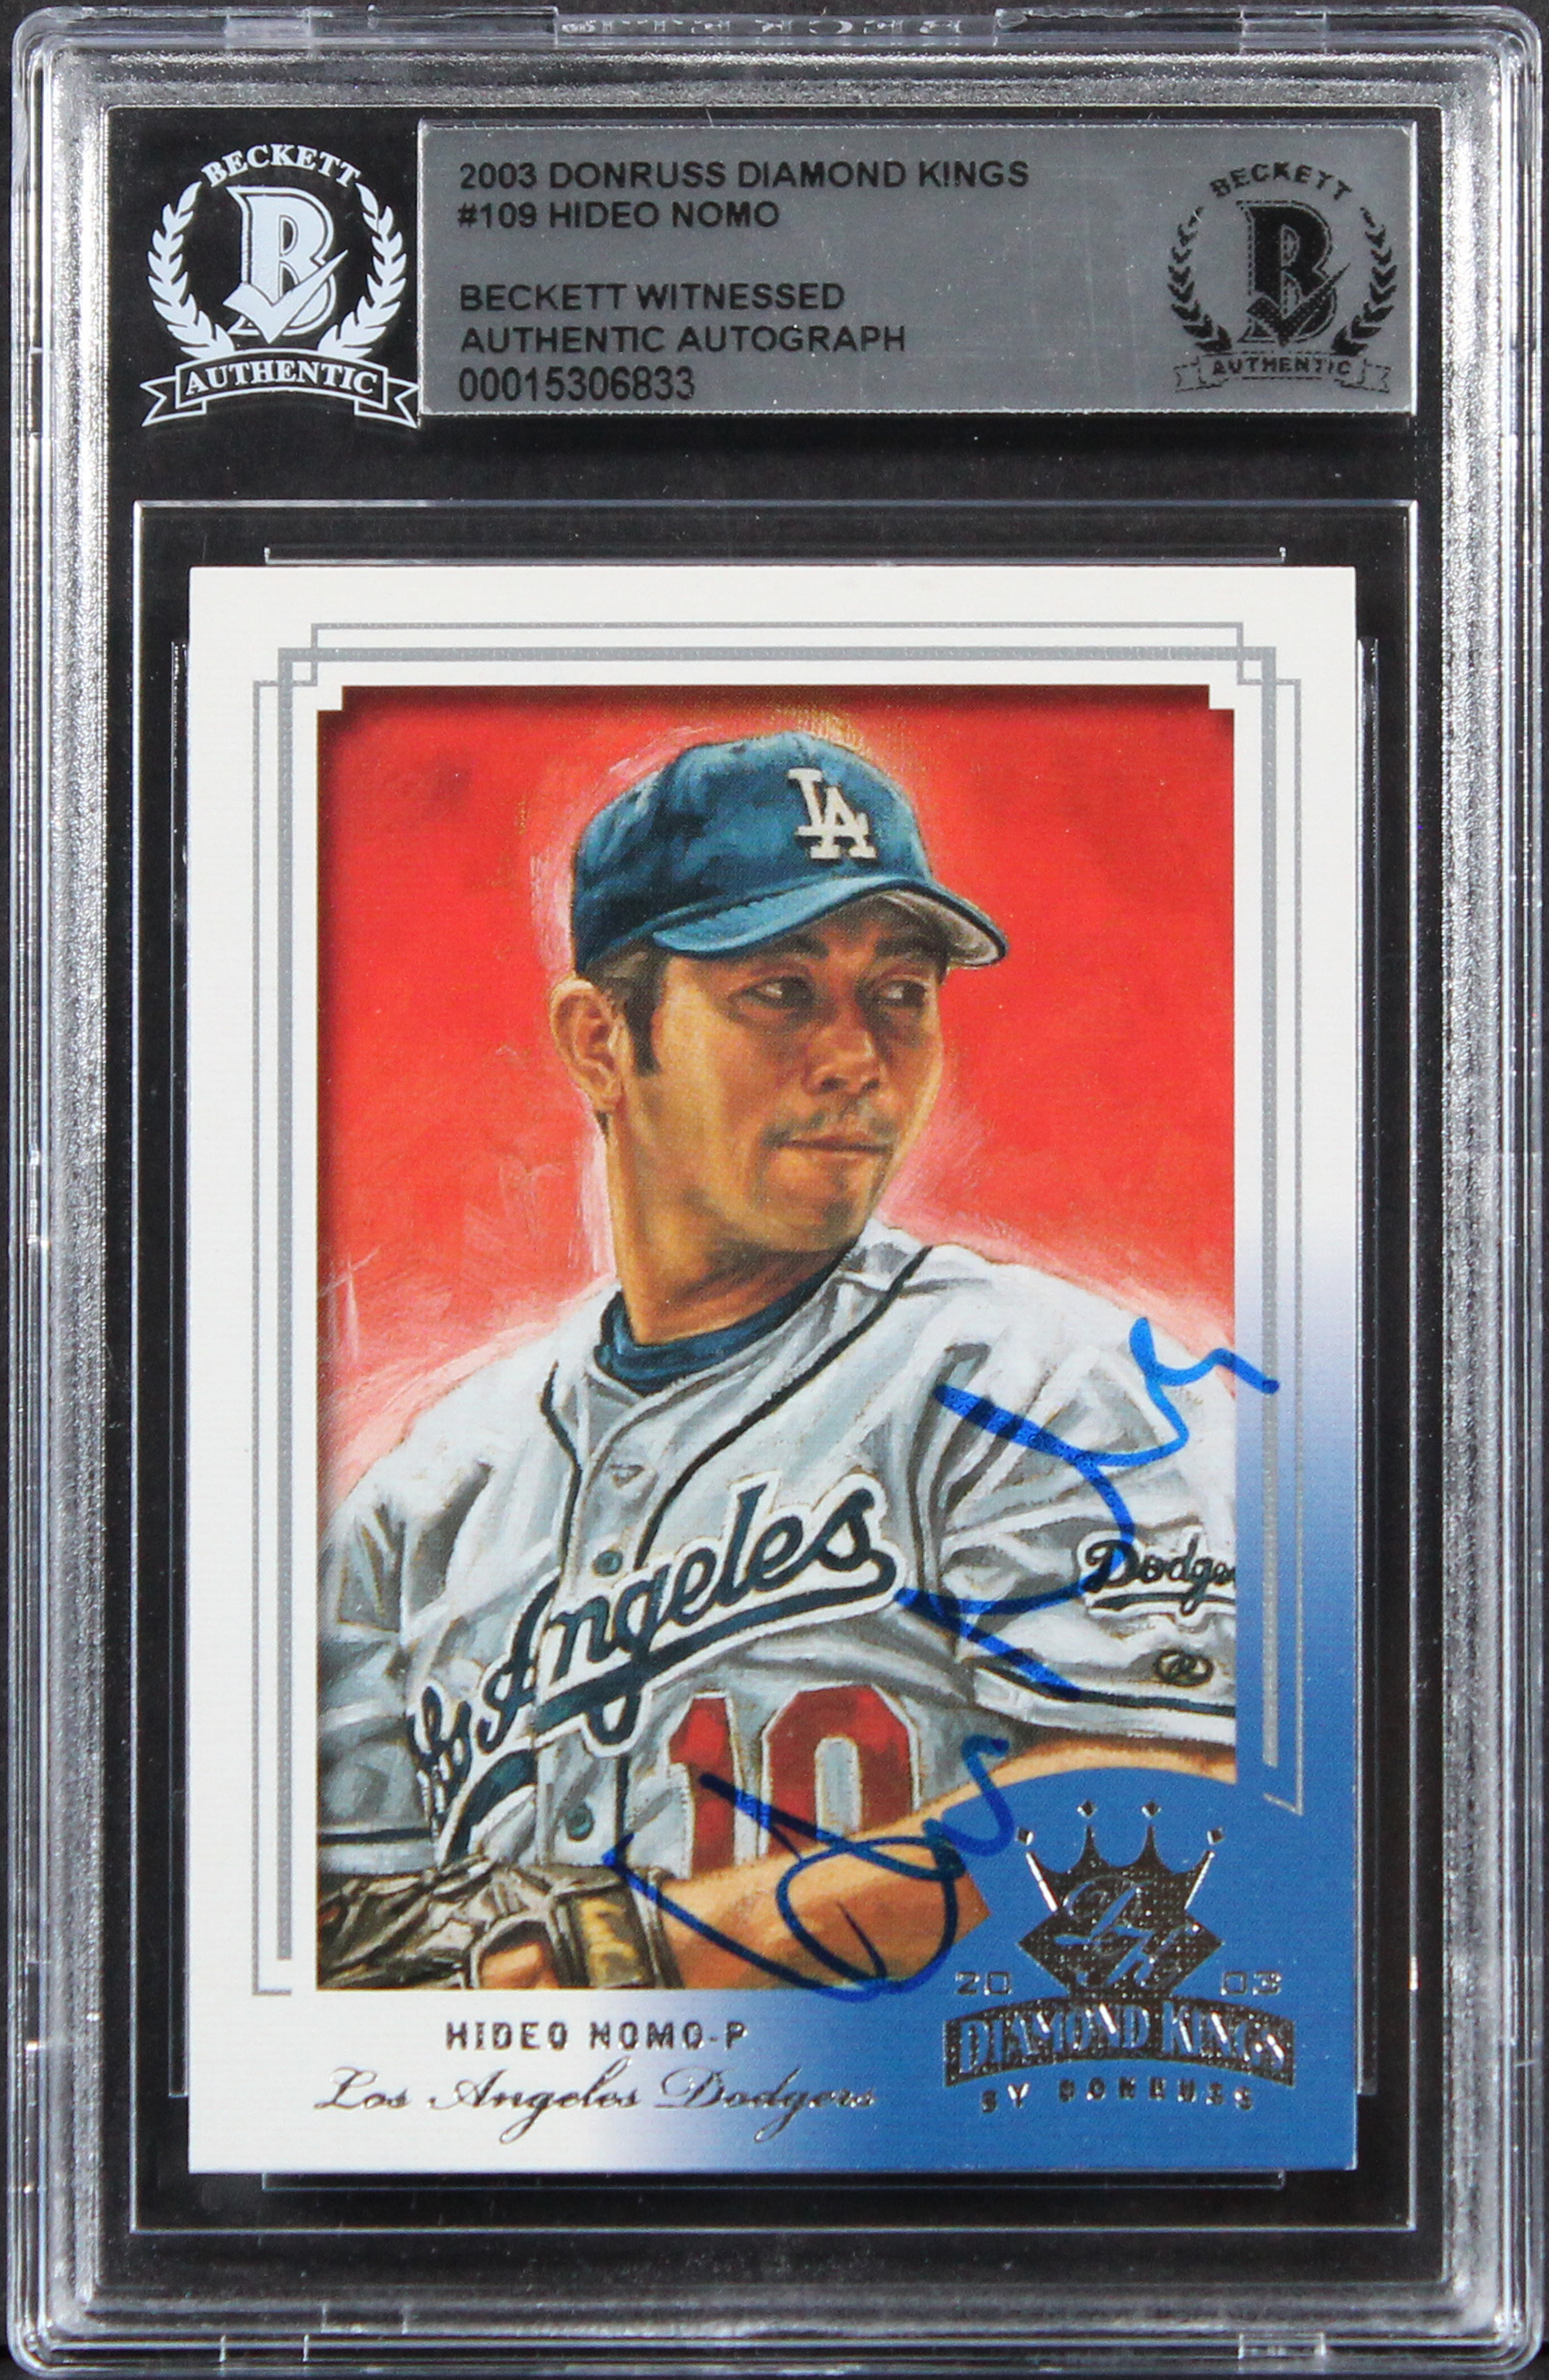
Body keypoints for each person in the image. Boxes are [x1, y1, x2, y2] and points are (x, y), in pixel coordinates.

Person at [318, 732, 1238, 1993]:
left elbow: (1171, 1804)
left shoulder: (1040, 1387)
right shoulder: (418, 1511)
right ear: (600, 1042)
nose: (855, 1057)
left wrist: (626, 1954)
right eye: (781, 992)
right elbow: (337, 1944)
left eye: (899, 994)